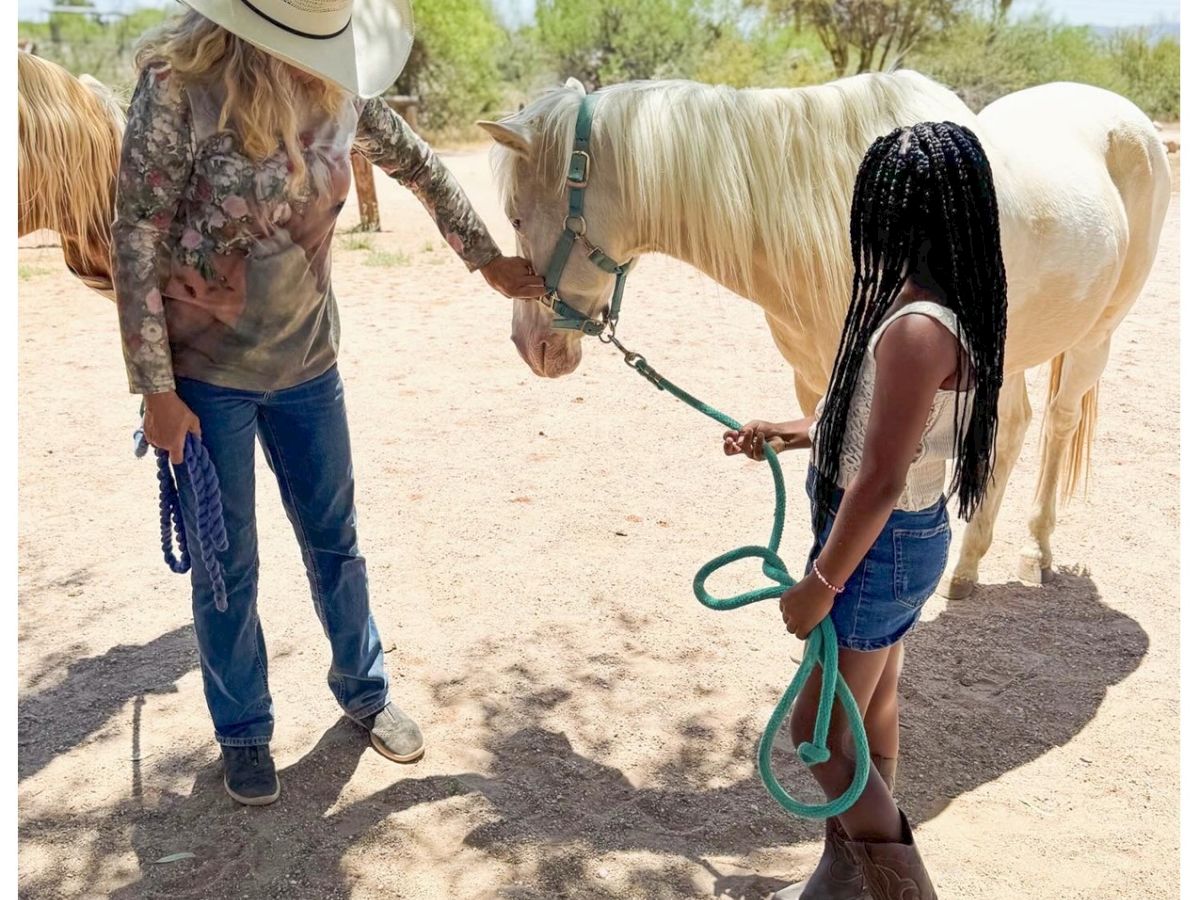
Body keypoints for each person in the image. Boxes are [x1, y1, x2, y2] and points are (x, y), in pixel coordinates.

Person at [113, 0, 544, 806]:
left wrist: (483, 259)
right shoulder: (178, 86)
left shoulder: (341, 82)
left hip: (310, 362)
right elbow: (135, 233)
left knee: (335, 542)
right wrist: (155, 390)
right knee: (224, 562)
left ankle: (364, 688)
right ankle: (243, 728)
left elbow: (420, 166)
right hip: (207, 376)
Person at [723, 121, 1007, 899]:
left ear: (892, 217)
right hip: (907, 541)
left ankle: (900, 887)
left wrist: (820, 581)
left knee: (819, 735)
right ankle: (845, 871)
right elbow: (889, 434)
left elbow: (880, 478)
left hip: (875, 550)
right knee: (872, 710)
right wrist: (798, 430)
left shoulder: (914, 331)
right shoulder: (945, 312)